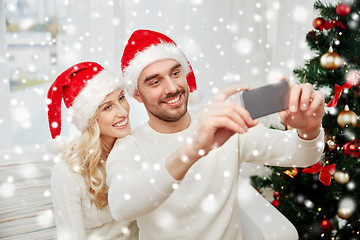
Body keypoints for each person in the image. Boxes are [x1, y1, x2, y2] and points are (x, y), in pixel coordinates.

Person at [106, 29, 325, 239]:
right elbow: (121, 206)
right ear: (137, 95)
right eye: (155, 82)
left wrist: (309, 130)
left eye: (175, 73)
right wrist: (193, 150)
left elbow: (301, 156)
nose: (172, 88)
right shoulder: (129, 146)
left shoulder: (223, 122)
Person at [47, 62, 138, 239]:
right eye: (107, 107)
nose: (123, 111)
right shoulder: (67, 174)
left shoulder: (135, 151)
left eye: (121, 98)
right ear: (90, 119)